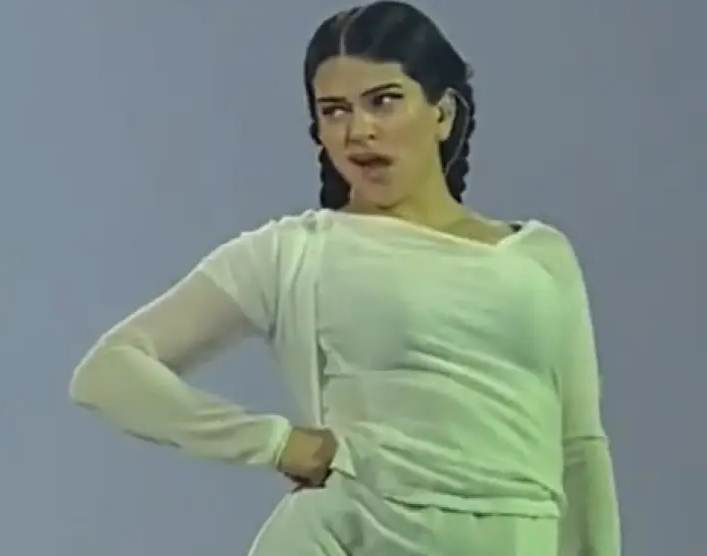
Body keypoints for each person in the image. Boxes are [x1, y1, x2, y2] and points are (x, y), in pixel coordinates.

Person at [67, 2, 620, 554]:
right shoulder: (296, 252)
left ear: (443, 113)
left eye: (384, 101)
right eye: (334, 111)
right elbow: (108, 371)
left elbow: (580, 448)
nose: (359, 131)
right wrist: (274, 442)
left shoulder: (539, 255)